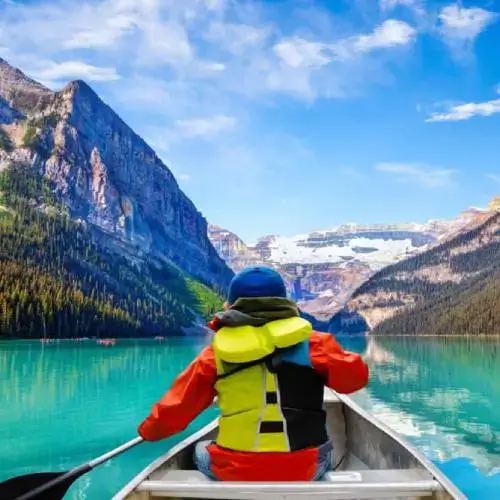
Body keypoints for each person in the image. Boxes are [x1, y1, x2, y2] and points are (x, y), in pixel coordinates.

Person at [138, 266, 369, 482]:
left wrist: (148, 431)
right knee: (327, 448)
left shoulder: (214, 355)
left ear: (230, 306)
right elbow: (355, 380)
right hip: (306, 468)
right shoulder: (315, 344)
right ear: (286, 304)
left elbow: (174, 411)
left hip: (233, 469)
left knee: (200, 449)